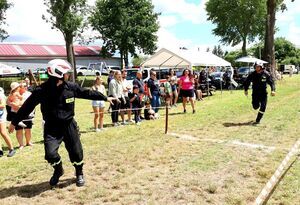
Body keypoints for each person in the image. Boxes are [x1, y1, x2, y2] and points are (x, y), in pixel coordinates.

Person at [8, 59, 115, 187]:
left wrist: (105, 97)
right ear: (57, 73)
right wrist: (14, 122)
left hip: (69, 125)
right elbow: (27, 106)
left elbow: (86, 92)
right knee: (50, 154)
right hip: (51, 128)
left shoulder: (70, 87)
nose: (68, 75)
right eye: (66, 73)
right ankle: (58, 170)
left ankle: (79, 172)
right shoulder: (41, 90)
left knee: (76, 152)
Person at [0, 87, 16, 157]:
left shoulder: (0, 93)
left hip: (1, 116)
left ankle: (11, 149)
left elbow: (3, 105)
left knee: (3, 133)